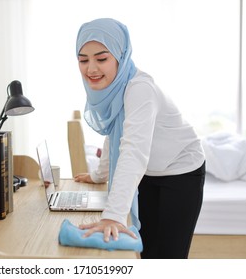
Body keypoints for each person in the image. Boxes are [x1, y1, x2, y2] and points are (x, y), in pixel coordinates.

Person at [73, 18, 205, 259]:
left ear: (121, 57)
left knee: (168, 257)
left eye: (101, 59)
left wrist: (112, 216)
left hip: (181, 170)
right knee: (146, 252)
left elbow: (133, 151)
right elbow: (116, 135)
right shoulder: (114, 87)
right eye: (83, 60)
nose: (91, 69)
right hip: (148, 171)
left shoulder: (139, 88)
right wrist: (98, 176)